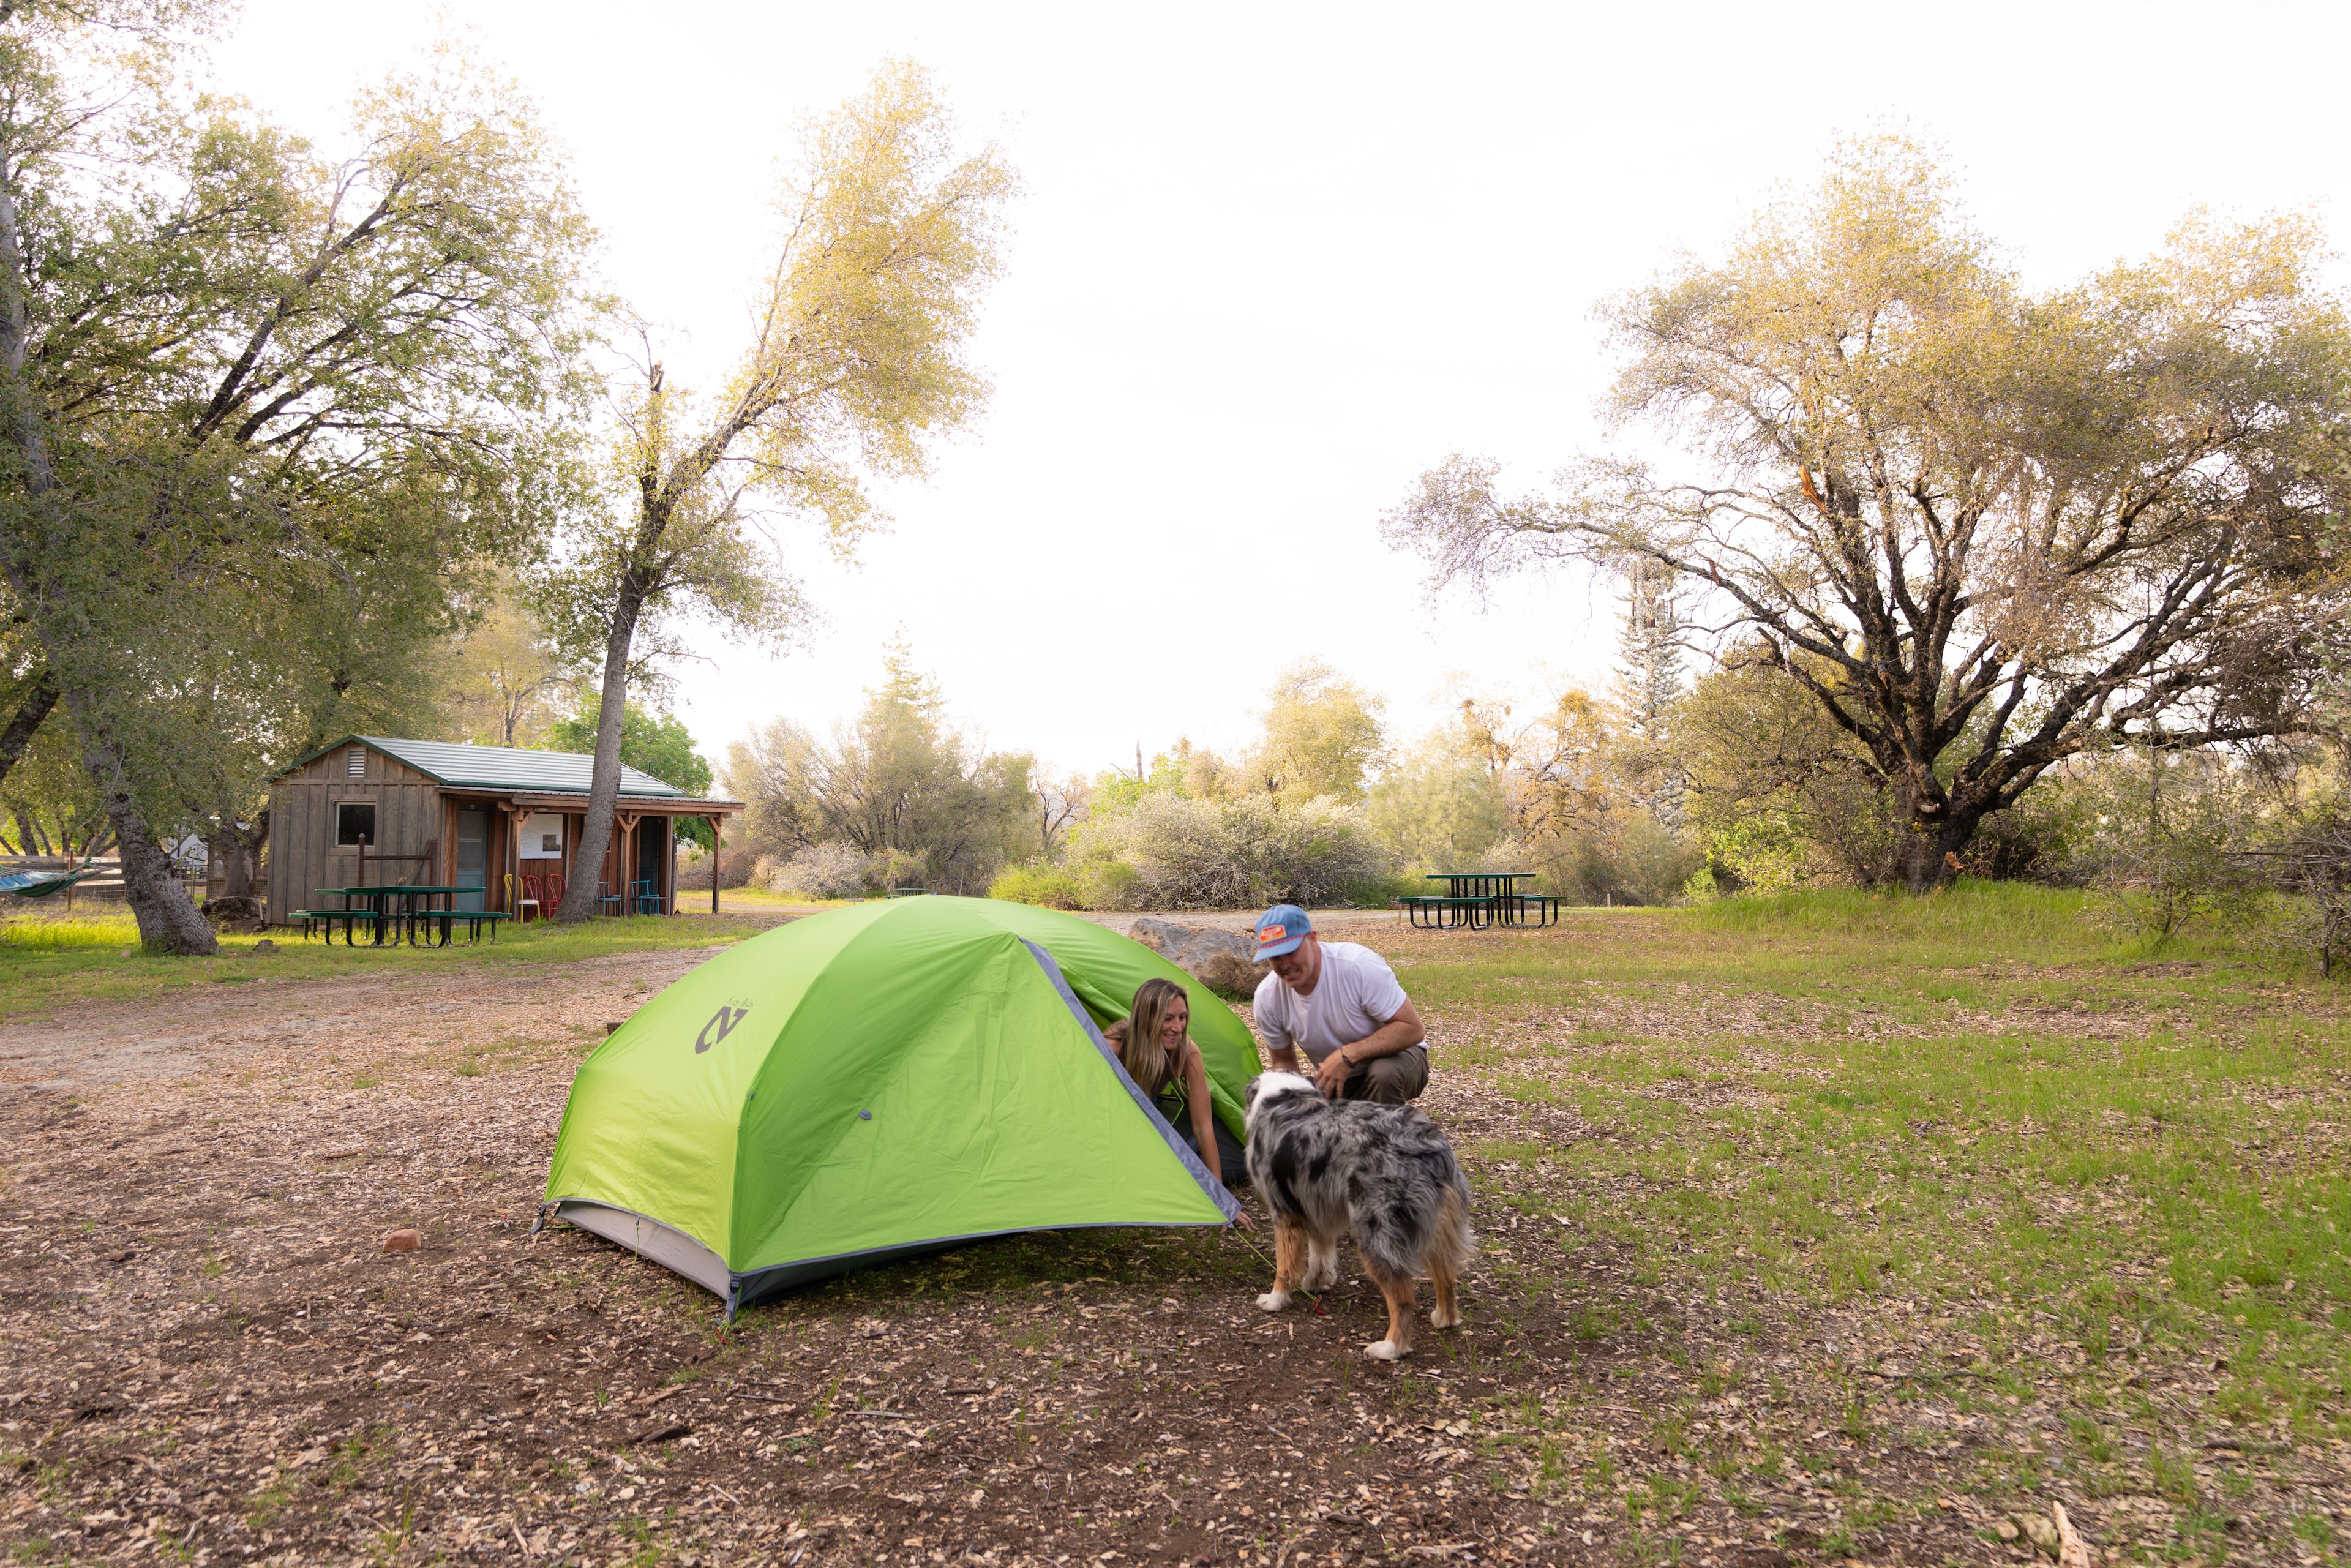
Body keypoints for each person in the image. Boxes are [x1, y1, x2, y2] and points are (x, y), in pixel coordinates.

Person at [1251, 904, 1428, 1105]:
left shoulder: (1357, 965)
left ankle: (1387, 1124)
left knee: (1383, 1076)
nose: (1285, 965)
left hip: (1401, 1055)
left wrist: (1350, 1054)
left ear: (1313, 939)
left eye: (1291, 952)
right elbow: (1283, 1061)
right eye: (1275, 957)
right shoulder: (1267, 997)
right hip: (1342, 1076)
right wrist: (1293, 1104)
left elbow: (1413, 1029)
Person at [1103, 977, 1246, 1190]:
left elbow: (1202, 1125)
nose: (1178, 1028)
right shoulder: (1113, 1049)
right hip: (1114, 1126)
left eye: (1183, 1017)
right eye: (1168, 1019)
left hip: (1151, 1114)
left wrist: (1218, 1191)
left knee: (1238, 1163)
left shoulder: (1186, 1051)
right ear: (1147, 1018)